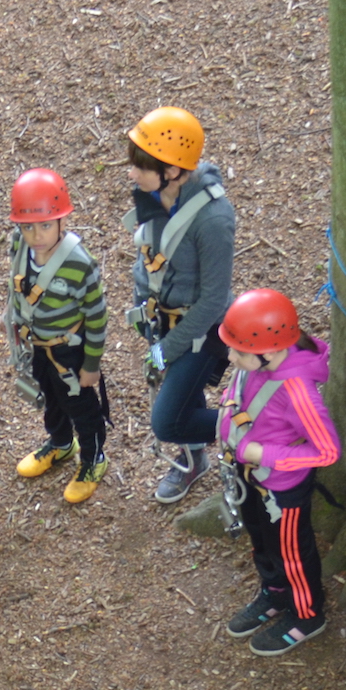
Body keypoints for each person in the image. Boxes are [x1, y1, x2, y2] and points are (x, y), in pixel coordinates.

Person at [215, 289, 340, 655]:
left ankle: (307, 613)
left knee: (292, 554)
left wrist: (263, 453)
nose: (229, 356)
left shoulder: (297, 391)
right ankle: (275, 591)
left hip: (281, 490)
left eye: (237, 351)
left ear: (268, 352)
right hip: (251, 477)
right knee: (261, 539)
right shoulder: (254, 364)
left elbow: (328, 451)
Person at [124, 106, 235, 505]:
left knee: (167, 421)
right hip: (163, 323)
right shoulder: (152, 192)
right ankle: (194, 459)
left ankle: (257, 432)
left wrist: (163, 351)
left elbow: (214, 300)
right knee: (183, 399)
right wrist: (143, 314)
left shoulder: (214, 219)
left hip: (201, 331)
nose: (132, 173)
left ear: (172, 170)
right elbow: (147, 258)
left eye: (141, 165)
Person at [4, 168, 111, 503]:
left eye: (46, 225)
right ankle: (61, 443)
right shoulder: (20, 246)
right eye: (28, 226)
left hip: (70, 350)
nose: (36, 235)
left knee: (81, 405)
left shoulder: (79, 263)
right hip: (38, 344)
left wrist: (91, 364)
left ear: (62, 222)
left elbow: (97, 314)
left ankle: (94, 457)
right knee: (50, 396)